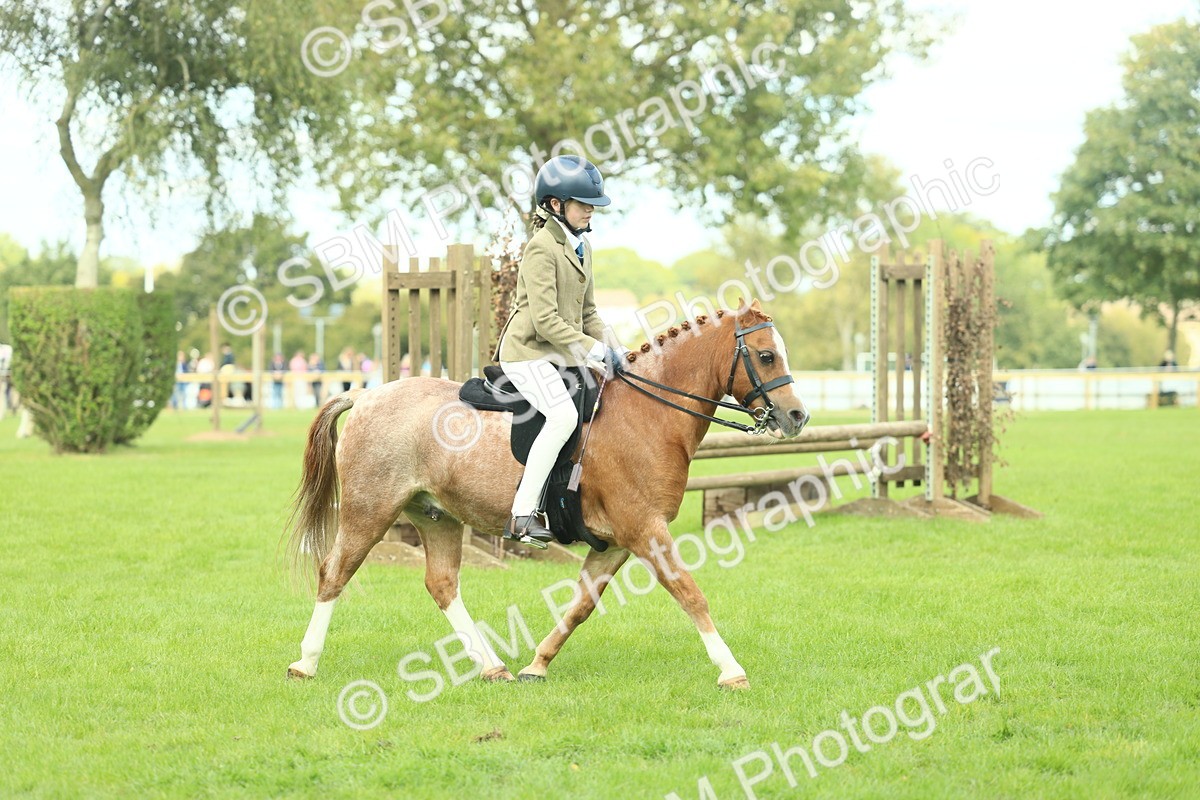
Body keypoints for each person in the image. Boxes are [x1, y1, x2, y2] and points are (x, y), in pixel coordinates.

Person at [493, 155, 626, 546]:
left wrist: (619, 350)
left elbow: (588, 313)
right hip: (527, 353)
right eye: (584, 204)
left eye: (592, 205)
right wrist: (596, 353)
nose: (590, 212)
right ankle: (522, 515)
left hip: (561, 354)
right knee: (563, 416)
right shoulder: (541, 248)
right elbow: (547, 321)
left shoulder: (583, 248)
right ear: (556, 205)